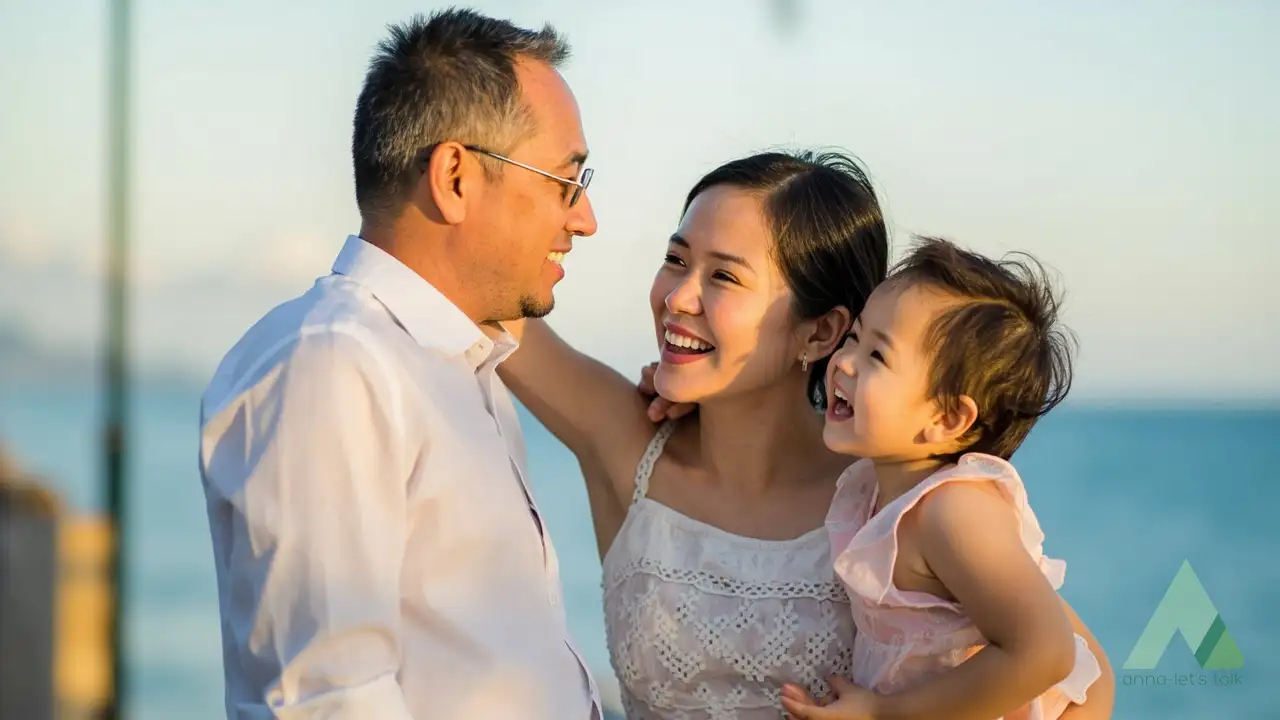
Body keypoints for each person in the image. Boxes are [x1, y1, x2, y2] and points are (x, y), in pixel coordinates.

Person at [499, 151, 1114, 718]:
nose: (679, 297)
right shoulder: (625, 441)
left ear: (820, 333)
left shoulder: (895, 499)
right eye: (677, 259)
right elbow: (479, 292)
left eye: (725, 278)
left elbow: (1083, 680)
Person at [197, 9, 603, 718]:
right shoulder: (334, 365)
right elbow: (327, 696)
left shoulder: (457, 362)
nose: (584, 218)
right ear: (453, 177)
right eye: (565, 181)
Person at [779, 237, 1102, 720]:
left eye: (877, 357)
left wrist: (881, 714)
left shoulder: (954, 511)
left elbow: (1050, 652)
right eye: (853, 339)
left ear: (949, 419)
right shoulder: (878, 483)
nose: (844, 362)